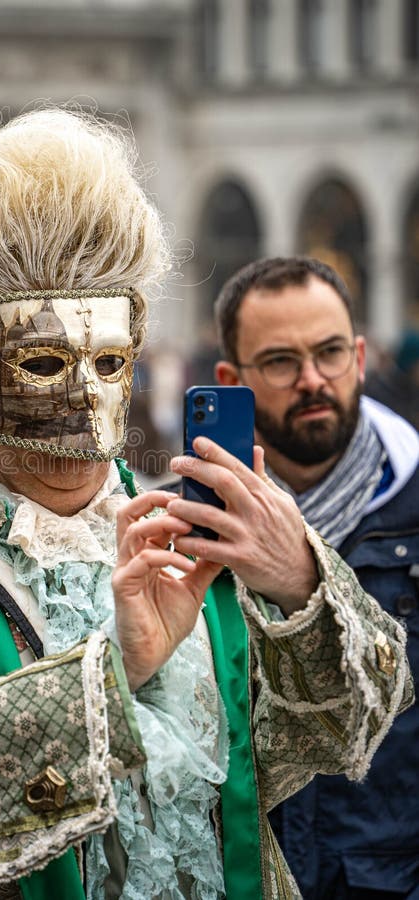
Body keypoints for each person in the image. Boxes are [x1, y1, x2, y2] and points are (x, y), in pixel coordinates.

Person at [0, 109, 412, 900]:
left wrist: (300, 578)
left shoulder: (196, 541)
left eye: (105, 361)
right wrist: (117, 671)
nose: (78, 400)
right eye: (38, 362)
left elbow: (350, 726)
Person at [213, 256, 419, 899]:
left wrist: (303, 578)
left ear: (359, 357)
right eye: (279, 361)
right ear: (230, 381)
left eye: (329, 353)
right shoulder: (197, 525)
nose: (312, 380)